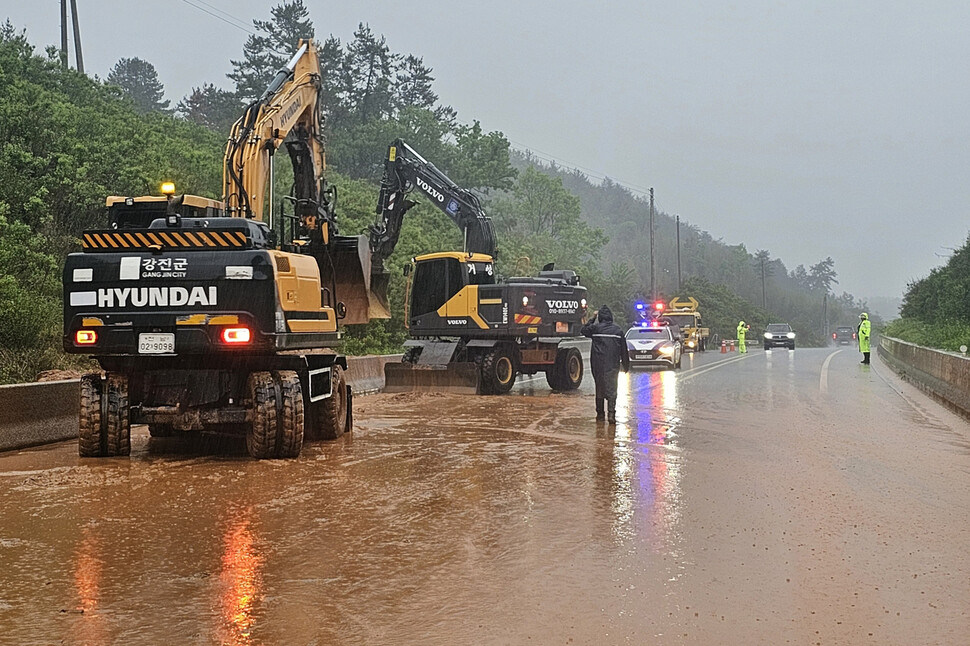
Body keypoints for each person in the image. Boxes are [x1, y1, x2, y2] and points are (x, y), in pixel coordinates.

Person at [582, 305, 630, 424]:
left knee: (600, 388)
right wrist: (626, 365)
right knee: (612, 389)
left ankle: (600, 415)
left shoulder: (595, 329)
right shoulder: (618, 331)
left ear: (601, 317)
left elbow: (583, 330)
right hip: (613, 365)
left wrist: (592, 318)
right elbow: (624, 350)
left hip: (597, 365)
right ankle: (611, 415)